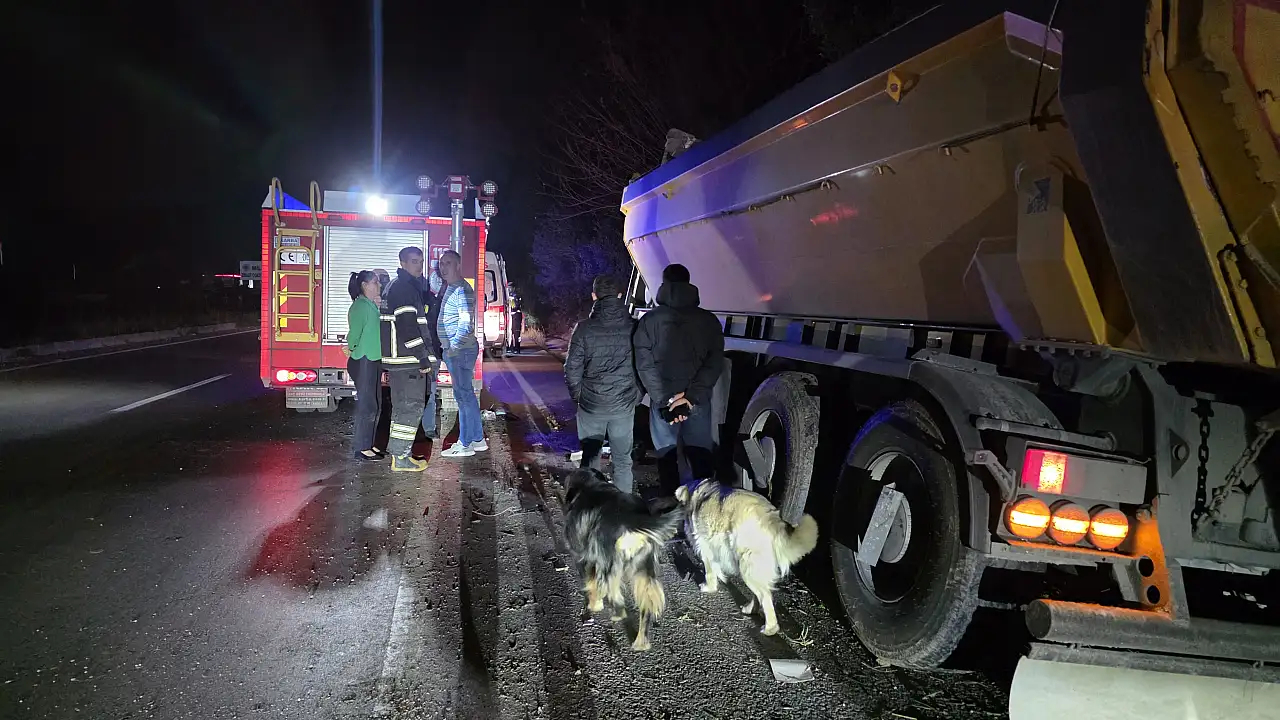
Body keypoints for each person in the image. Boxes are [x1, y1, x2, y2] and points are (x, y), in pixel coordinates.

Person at [633, 263, 724, 501]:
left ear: (664, 284)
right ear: (689, 283)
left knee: (667, 456)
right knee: (700, 456)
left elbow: (644, 364)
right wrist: (691, 396)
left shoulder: (649, 321)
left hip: (663, 400)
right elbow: (715, 361)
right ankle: (703, 507)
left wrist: (665, 399)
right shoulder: (709, 321)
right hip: (696, 401)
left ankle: (671, 508)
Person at [564, 274, 640, 494]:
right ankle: (623, 507)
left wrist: (579, 396)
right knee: (623, 461)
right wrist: (636, 395)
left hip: (591, 405)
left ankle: (592, 505)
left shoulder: (584, 328)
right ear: (620, 295)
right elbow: (645, 366)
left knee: (590, 460)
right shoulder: (635, 328)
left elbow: (572, 369)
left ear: (594, 296)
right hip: (623, 405)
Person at [379, 247, 437, 472]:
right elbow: (408, 328)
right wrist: (423, 357)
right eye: (414, 261)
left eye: (421, 261)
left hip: (399, 361)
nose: (419, 266)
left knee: (402, 408)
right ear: (402, 263)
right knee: (411, 407)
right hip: (407, 360)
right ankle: (401, 458)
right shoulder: (405, 288)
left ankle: (399, 454)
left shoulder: (398, 286)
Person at [436, 249, 486, 458]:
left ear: (458, 265)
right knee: (467, 395)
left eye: (448, 263)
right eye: (441, 263)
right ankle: (477, 439)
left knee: (463, 397)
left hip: (460, 351)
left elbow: (465, 322)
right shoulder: (452, 287)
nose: (443, 267)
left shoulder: (460, 289)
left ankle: (465, 444)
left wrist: (453, 348)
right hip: (460, 350)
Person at [343, 270, 385, 461]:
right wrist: (351, 347)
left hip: (372, 360)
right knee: (367, 406)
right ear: (365, 285)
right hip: (364, 360)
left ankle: (369, 443)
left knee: (375, 405)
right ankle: (362, 448)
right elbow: (354, 334)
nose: (379, 285)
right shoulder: (360, 306)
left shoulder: (369, 305)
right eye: (375, 282)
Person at [420, 264, 445, 441]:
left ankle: (429, 428)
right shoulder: (422, 299)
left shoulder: (444, 300)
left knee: (430, 394)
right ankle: (423, 428)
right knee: (419, 395)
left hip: (433, 355)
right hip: (422, 354)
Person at [507, 282, 524, 354]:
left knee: (516, 333)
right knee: (509, 332)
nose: (509, 289)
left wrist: (511, 301)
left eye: (510, 288)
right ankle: (510, 347)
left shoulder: (516, 296)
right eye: (508, 288)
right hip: (510, 315)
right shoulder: (509, 295)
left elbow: (514, 306)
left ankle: (517, 348)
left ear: (513, 288)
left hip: (516, 315)